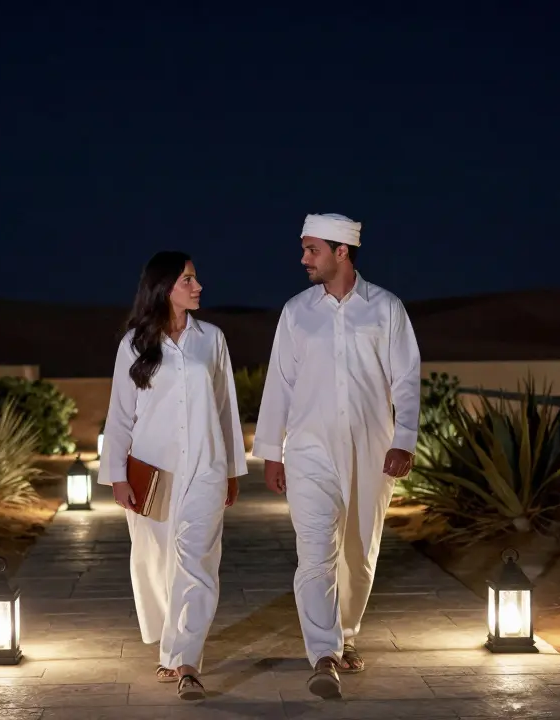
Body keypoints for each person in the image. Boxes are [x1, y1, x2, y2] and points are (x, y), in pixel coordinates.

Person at [253, 213, 421, 699]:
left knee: (359, 552)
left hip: (372, 448)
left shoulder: (386, 309)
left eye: (312, 250)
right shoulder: (296, 312)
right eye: (304, 249)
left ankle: (344, 636)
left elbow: (406, 380)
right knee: (314, 553)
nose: (304, 258)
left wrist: (403, 439)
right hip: (308, 449)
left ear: (341, 251)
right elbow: (278, 384)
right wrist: (272, 452)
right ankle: (323, 653)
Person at [98, 250, 248, 701]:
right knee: (156, 561)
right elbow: (121, 415)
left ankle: (186, 659)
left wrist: (232, 470)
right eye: (188, 279)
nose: (198, 286)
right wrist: (118, 475)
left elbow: (226, 409)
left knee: (199, 563)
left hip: (206, 467)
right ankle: (170, 645)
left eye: (196, 278)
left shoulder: (212, 340)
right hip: (151, 473)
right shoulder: (134, 344)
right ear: (164, 287)